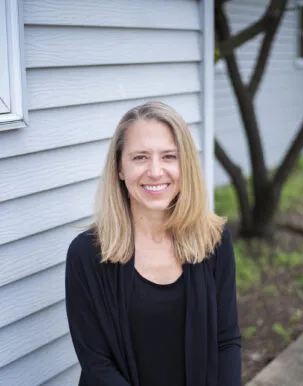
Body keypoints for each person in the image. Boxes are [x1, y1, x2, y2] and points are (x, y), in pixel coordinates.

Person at [65, 101, 241, 386]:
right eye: (140, 158)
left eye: (169, 156)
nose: (156, 171)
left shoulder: (214, 241)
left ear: (185, 166)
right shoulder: (87, 254)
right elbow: (96, 362)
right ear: (119, 169)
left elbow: (227, 341)